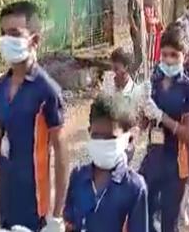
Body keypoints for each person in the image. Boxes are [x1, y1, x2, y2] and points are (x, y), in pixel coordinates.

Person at [0, 1, 68, 231]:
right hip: (7, 203)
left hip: (35, 209)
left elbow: (61, 153)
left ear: (35, 40)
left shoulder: (47, 91)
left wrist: (57, 215)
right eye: (3, 33)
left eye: (14, 34)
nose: (6, 40)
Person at [139, 28, 189, 232]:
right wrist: (143, 107)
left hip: (175, 163)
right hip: (153, 158)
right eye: (164, 54)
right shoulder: (153, 83)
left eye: (174, 55)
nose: (169, 60)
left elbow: (188, 135)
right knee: (144, 213)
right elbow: (143, 125)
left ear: (184, 55)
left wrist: (162, 117)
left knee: (169, 221)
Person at [63, 95, 148, 232]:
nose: (102, 142)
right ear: (89, 132)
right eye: (96, 136)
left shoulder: (134, 187)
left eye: (110, 138)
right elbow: (69, 225)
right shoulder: (78, 177)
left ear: (127, 139)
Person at [128, 0, 145, 75]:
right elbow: (129, 15)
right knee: (139, 54)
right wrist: (134, 28)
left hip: (140, 29)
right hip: (136, 30)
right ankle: (131, 71)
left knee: (140, 54)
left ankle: (134, 71)